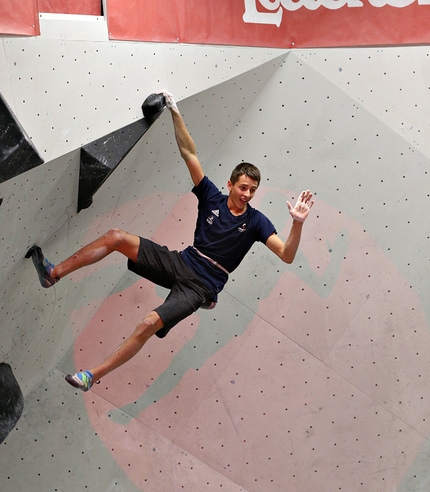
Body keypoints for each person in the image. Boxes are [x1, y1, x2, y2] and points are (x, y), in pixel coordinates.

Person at [28, 91, 314, 392]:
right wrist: (175, 113)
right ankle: (52, 274)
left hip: (201, 285)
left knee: (148, 323)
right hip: (181, 260)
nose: (247, 194)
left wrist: (297, 224)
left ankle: (92, 376)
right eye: (243, 187)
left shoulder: (256, 221)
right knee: (115, 237)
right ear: (230, 184)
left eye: (252, 190)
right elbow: (189, 153)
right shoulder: (211, 196)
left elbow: (286, 255)